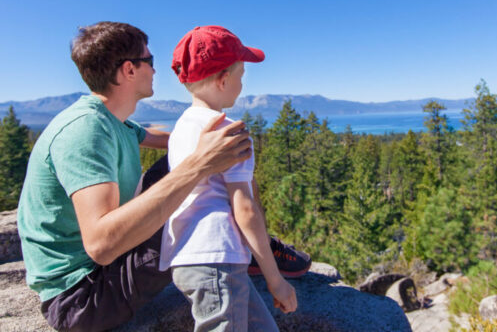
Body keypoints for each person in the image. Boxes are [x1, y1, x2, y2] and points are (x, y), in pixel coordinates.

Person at [17, 21, 253, 331]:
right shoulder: (85, 130)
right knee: (193, 195)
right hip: (83, 295)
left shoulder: (112, 120)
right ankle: (250, 244)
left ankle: (250, 240)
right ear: (129, 70)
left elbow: (167, 139)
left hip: (97, 275)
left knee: (199, 160)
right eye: (150, 61)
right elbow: (101, 246)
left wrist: (208, 135)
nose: (156, 71)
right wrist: (199, 164)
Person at [160, 26, 297, 331]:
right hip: (217, 259)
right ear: (223, 80)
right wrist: (276, 280)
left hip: (187, 257)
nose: (241, 85)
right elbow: (245, 209)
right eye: (241, 77)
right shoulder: (229, 130)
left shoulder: (182, 127)